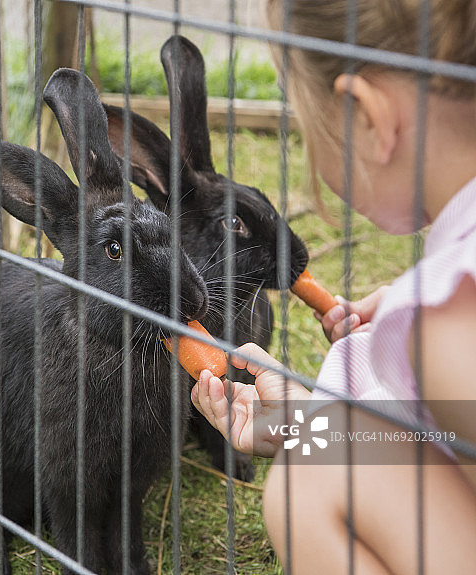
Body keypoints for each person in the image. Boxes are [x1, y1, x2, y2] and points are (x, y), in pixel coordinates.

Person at [191, 1, 476, 573]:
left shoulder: (449, 326)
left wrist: (312, 439)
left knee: (307, 485)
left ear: (364, 117)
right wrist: (304, 419)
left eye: (303, 123)